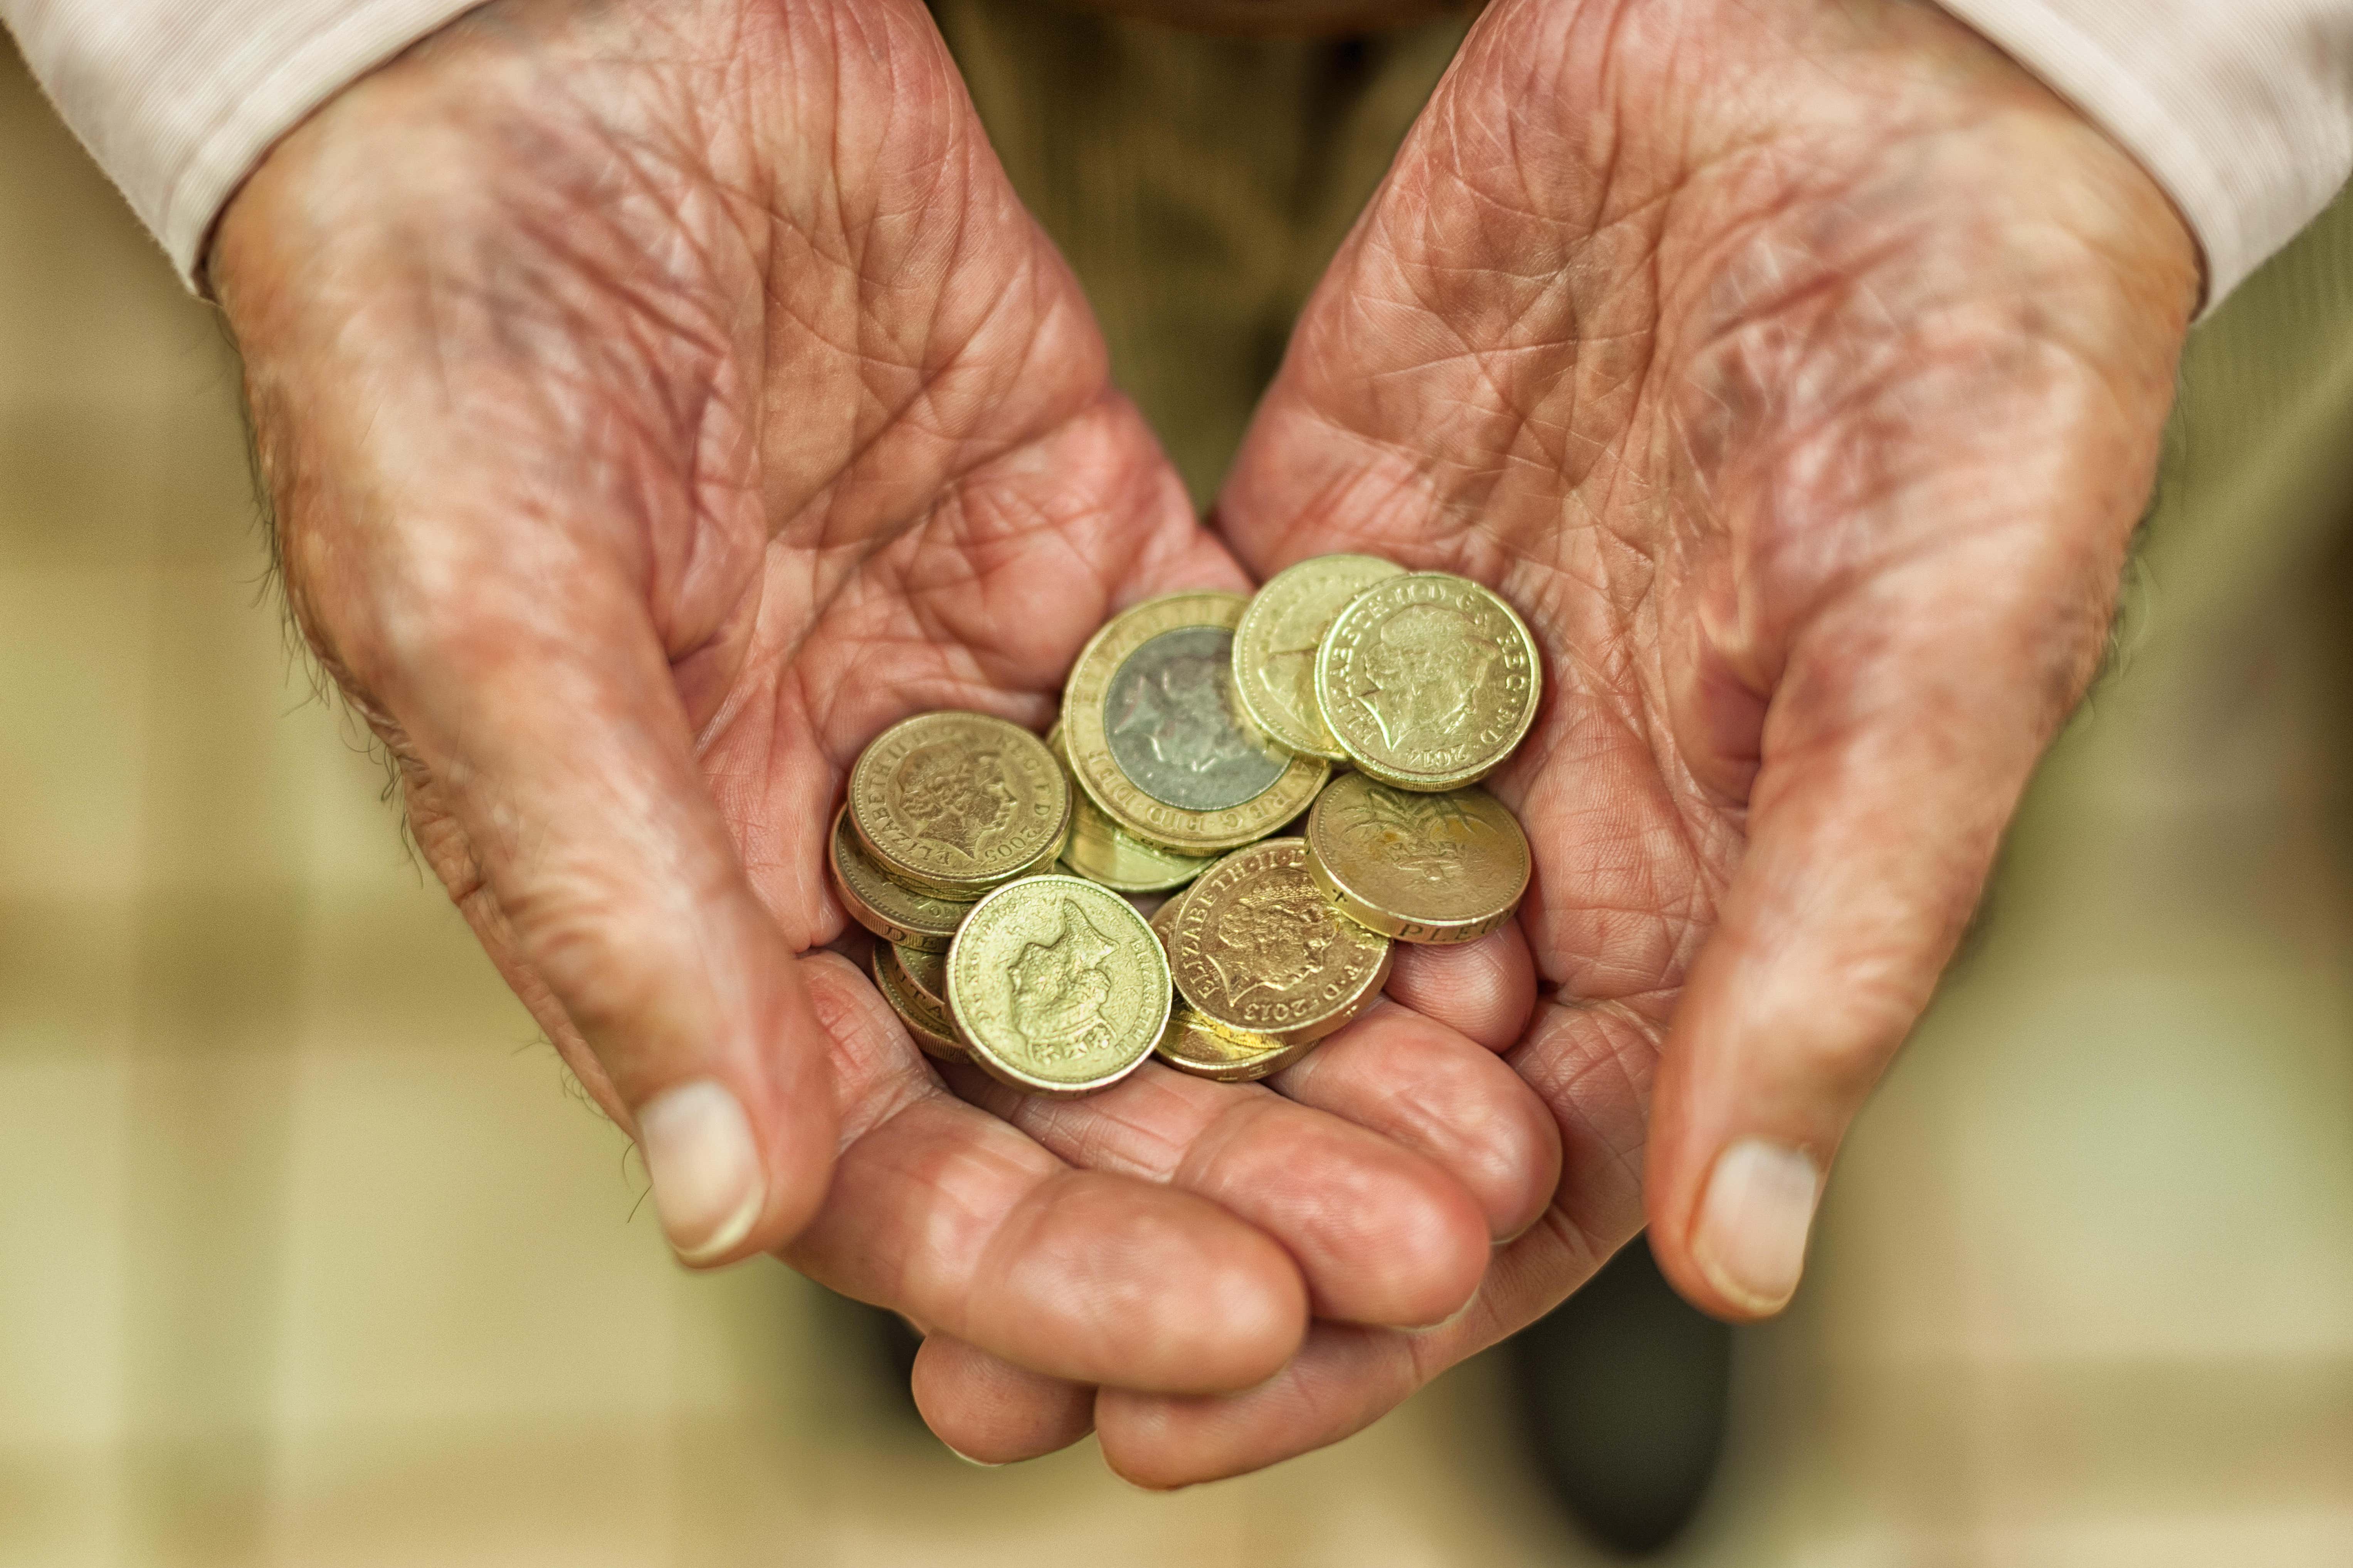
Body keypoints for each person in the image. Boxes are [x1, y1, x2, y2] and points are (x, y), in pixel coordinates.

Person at [3, 0, 2346, 1492]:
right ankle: (890, 1134)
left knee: (1827, 716)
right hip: (824, 78)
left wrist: (2074, 48)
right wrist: (380, 38)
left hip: (1911, 96)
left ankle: (1652, 1153)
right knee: (643, 684)